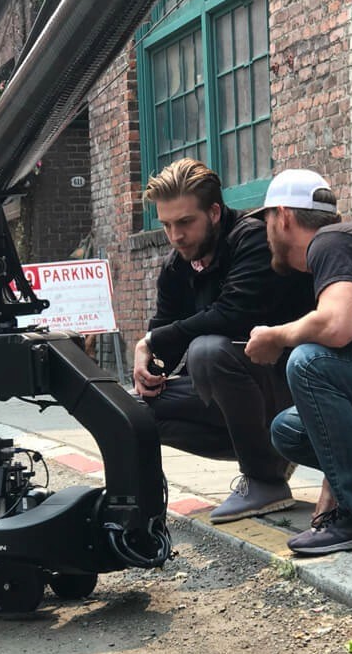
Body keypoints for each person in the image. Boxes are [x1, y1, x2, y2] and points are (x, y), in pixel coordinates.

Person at [133, 158, 313, 523]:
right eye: (166, 225)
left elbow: (233, 315)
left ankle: (264, 480)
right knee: (134, 412)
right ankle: (265, 456)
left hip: (290, 388)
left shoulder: (253, 240)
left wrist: (151, 339)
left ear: (214, 212)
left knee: (207, 350)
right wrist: (150, 366)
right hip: (238, 394)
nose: (175, 236)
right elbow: (166, 331)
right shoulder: (177, 265)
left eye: (185, 222)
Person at [245, 169, 352, 555]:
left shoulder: (331, 241)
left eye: (266, 223)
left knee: (307, 362)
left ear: (283, 217)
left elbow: (337, 326)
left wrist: (275, 336)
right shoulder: (349, 242)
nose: (266, 234)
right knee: (288, 429)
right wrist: (336, 479)